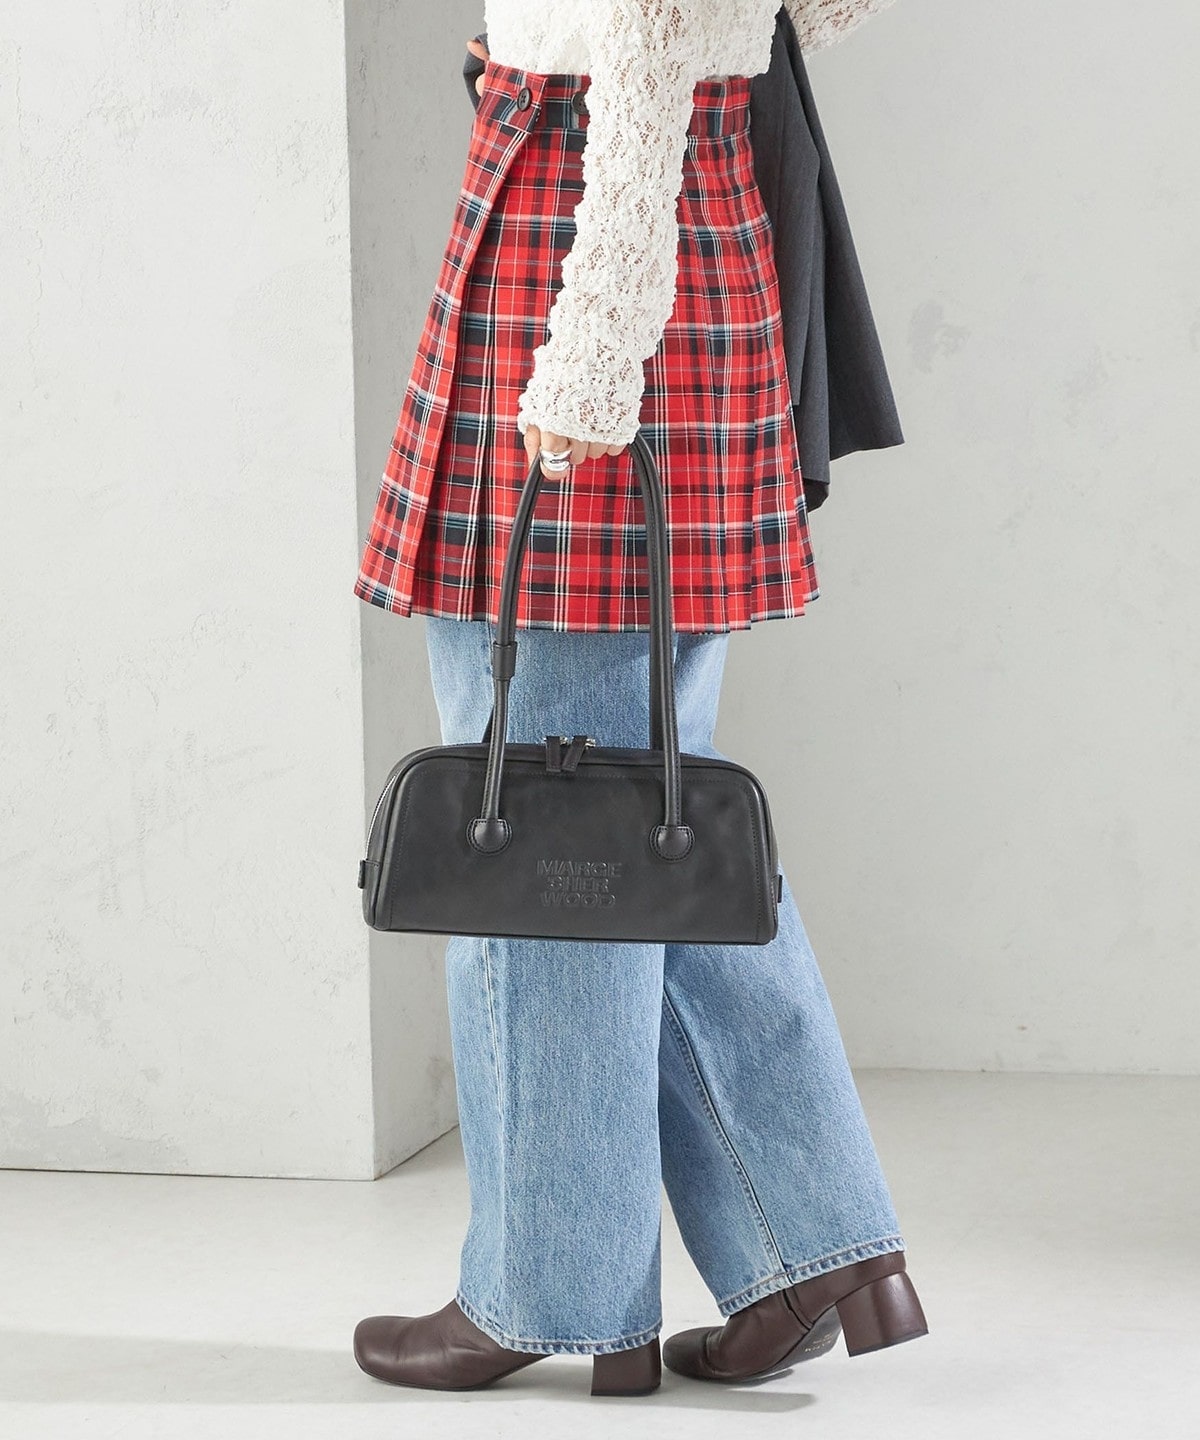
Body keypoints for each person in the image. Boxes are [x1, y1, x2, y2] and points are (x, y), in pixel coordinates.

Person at [352, 0, 925, 1399]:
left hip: (597, 247)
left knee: (548, 833)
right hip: (661, 222)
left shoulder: (604, 267)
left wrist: (595, 360)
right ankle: (814, 1244)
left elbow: (653, 40)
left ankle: (552, 1291)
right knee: (636, 817)